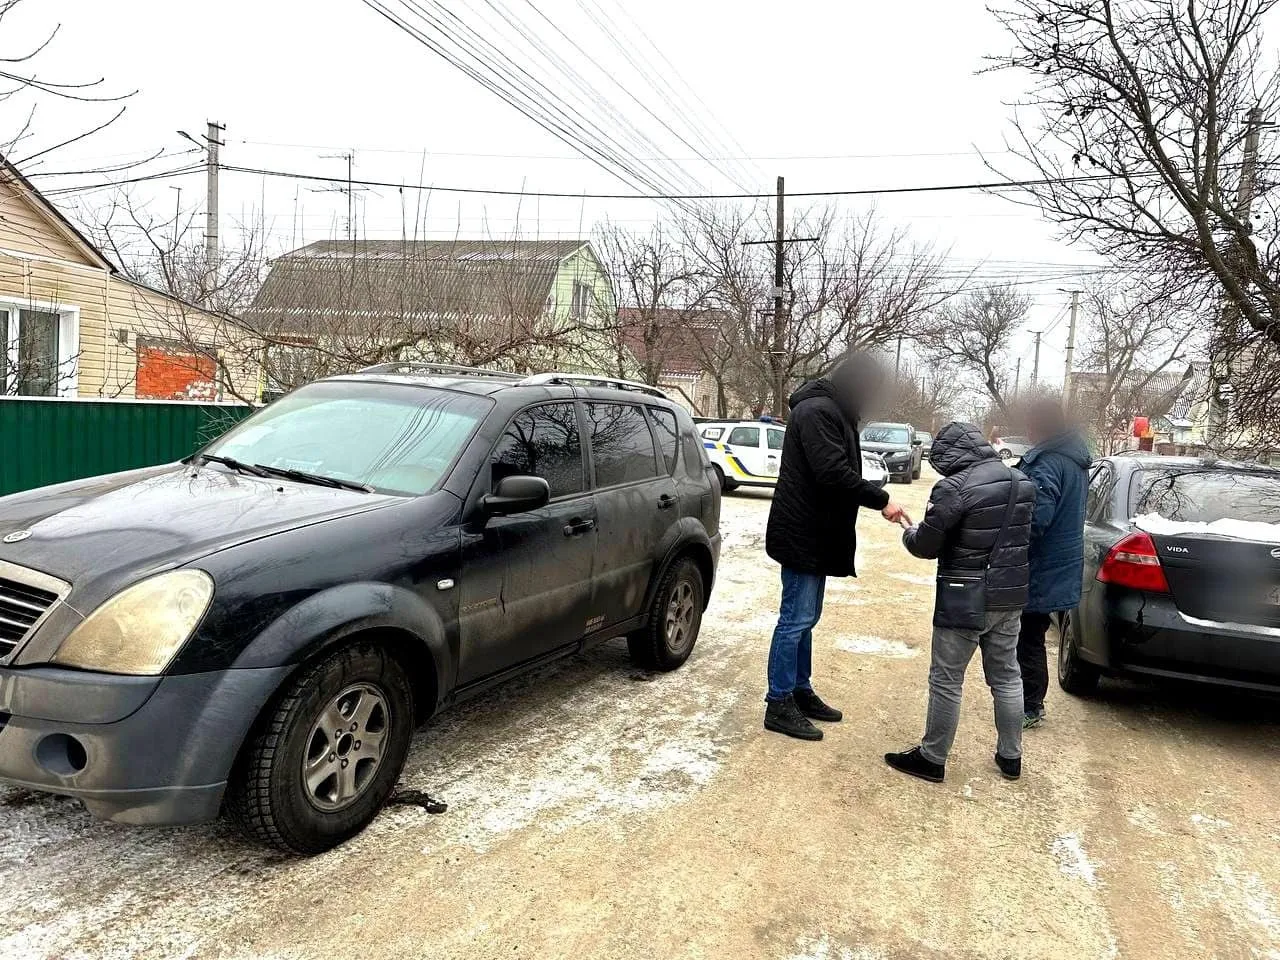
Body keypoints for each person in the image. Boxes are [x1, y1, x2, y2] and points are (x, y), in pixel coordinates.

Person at [762, 354, 910, 741]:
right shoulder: (817, 411)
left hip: (818, 534)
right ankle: (778, 702)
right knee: (794, 619)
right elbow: (831, 472)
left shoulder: (835, 410)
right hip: (803, 533)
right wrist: (881, 500)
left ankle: (800, 689)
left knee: (806, 619)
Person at [884, 421, 1036, 782]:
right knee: (1007, 676)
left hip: (964, 597)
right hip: (1010, 595)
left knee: (947, 679)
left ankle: (933, 758)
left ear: (951, 454)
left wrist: (908, 531)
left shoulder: (954, 487)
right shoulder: (1022, 482)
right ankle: (1010, 756)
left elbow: (926, 545)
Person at [1016, 400, 1091, 728]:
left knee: (1027, 636)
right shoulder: (1073, 459)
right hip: (1058, 563)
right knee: (1032, 633)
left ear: (1040, 425)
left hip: (1041, 563)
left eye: (1030, 423)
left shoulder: (1048, 462)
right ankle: (1030, 701)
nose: (1027, 430)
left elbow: (1037, 518)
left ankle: (1030, 705)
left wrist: (1009, 542)